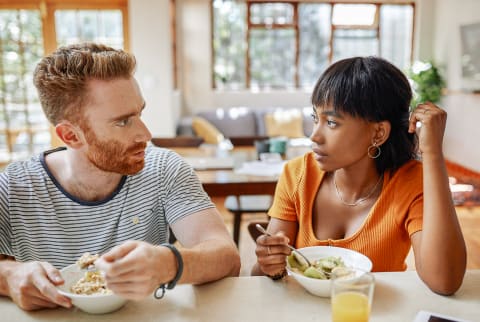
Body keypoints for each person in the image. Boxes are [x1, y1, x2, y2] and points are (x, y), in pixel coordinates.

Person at [0, 43, 240, 311]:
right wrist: (8, 276)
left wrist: (169, 264)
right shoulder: (14, 187)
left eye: (140, 113)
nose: (146, 134)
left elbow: (227, 256)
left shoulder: (163, 168)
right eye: (123, 122)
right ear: (70, 135)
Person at [251, 56, 466, 295]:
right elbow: (261, 277)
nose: (315, 136)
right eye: (315, 119)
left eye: (331, 122)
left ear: (378, 133)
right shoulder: (297, 174)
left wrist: (433, 153)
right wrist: (269, 264)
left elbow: (445, 281)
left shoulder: (410, 182)